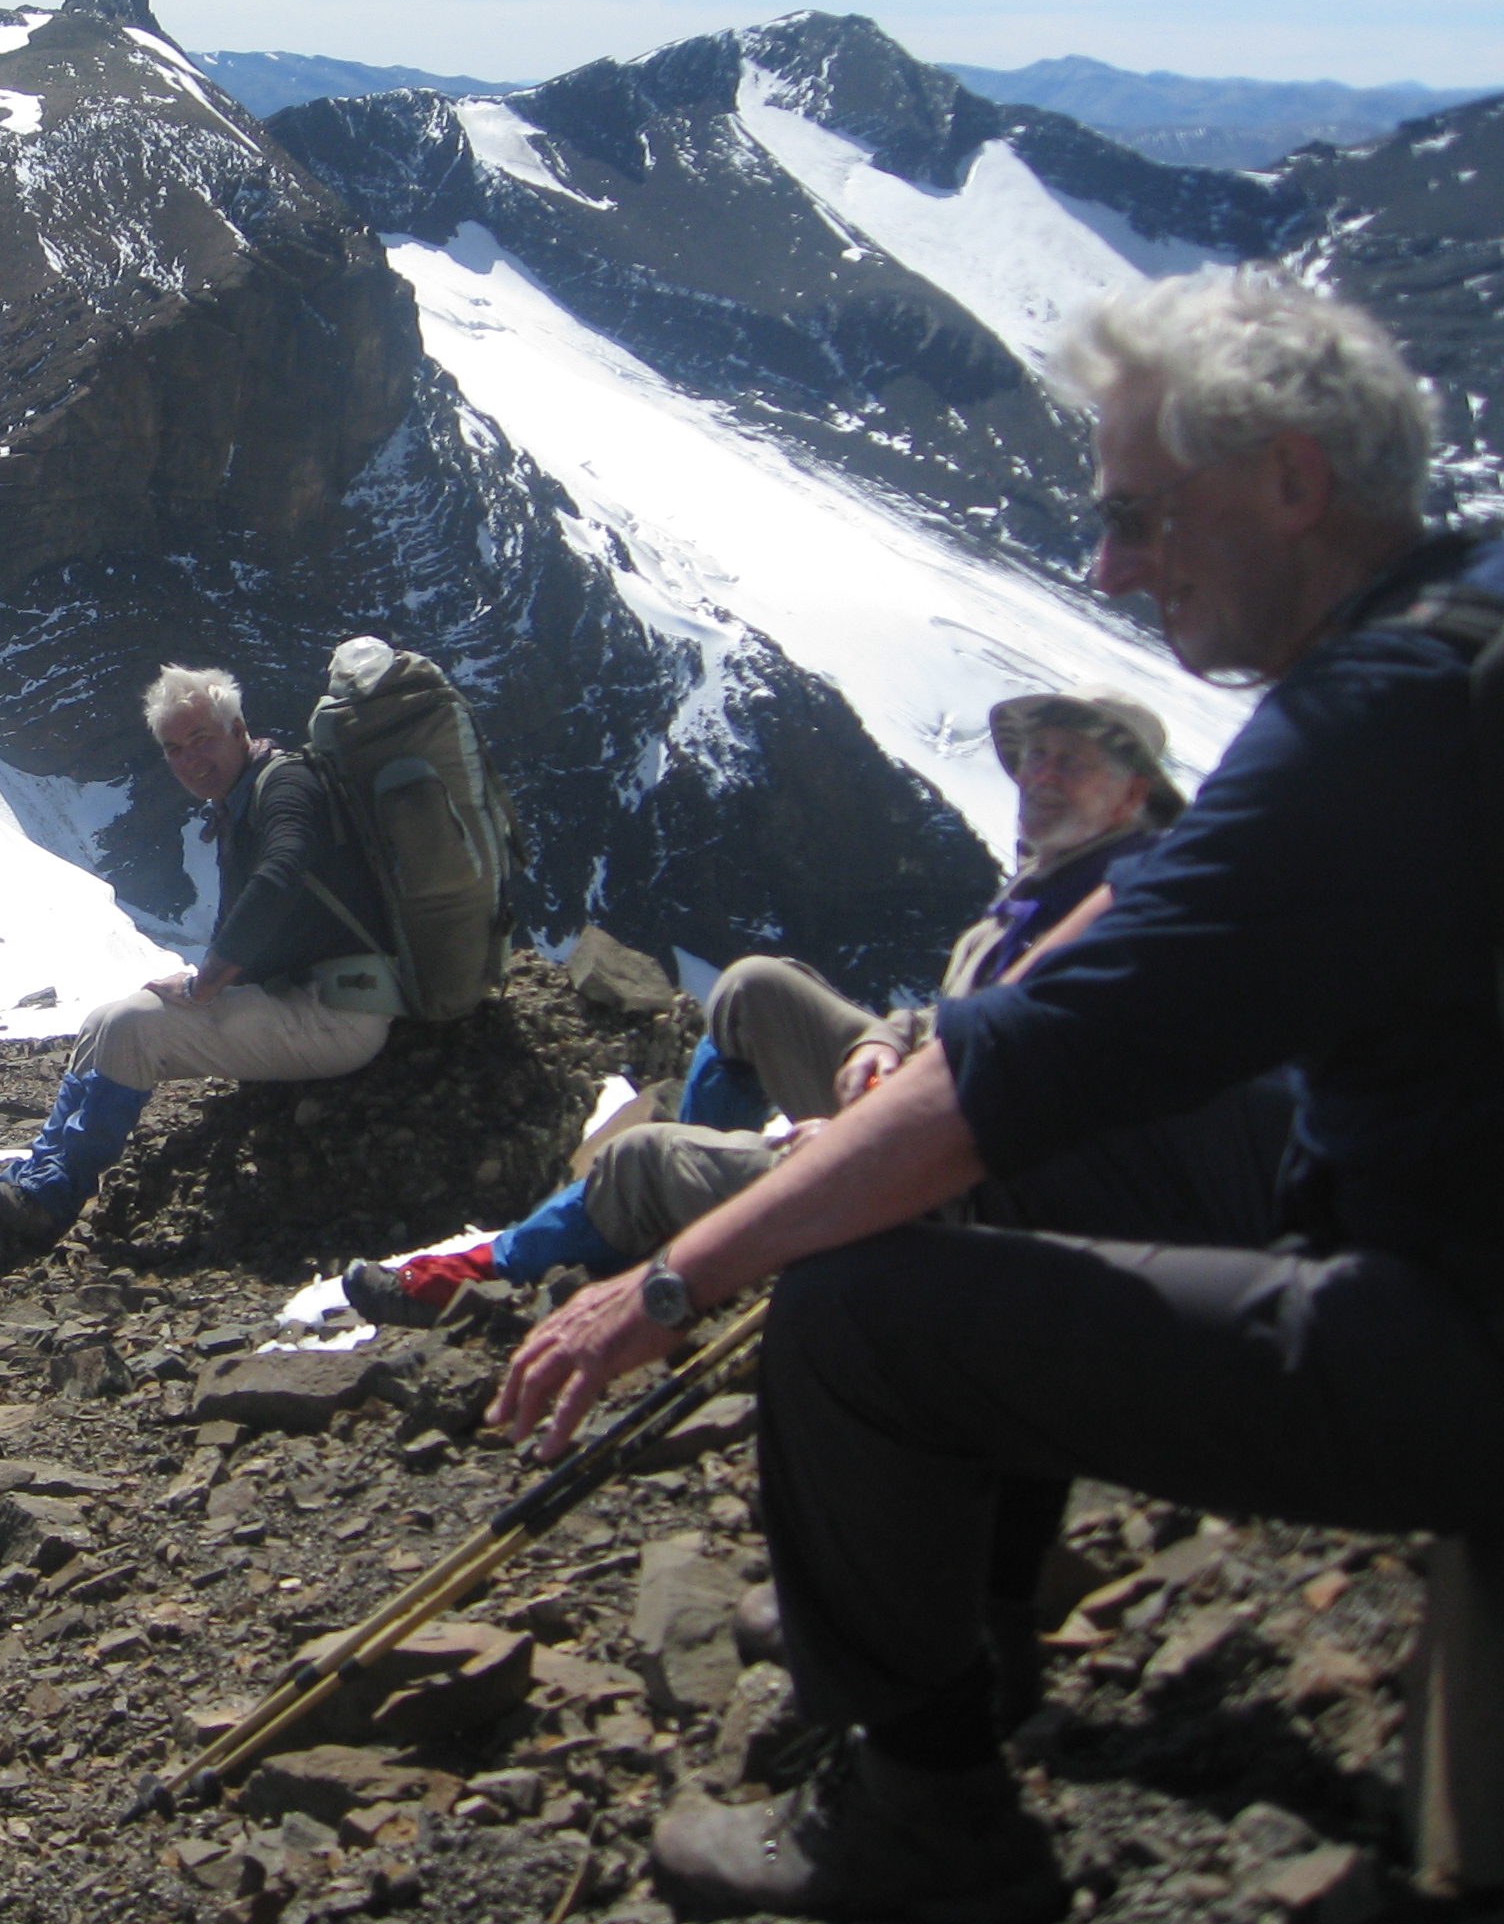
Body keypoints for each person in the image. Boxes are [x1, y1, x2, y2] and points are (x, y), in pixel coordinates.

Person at [491, 267, 1504, 1923]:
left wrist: (667, 1283)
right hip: (1415, 1214)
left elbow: (987, 1098)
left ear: (1289, 484)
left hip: (1447, 1324)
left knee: (853, 1307)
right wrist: (953, 1031)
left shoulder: (1368, 722)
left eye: (1133, 517)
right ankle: (973, 1594)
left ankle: (923, 1817)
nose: (1106, 566)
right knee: (993, 1161)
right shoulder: (1444, 629)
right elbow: (1145, 915)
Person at [342, 687, 1185, 1326]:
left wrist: (863, 1137)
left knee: (639, 1160)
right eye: (1033, 756)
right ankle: (714, 1173)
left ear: (1132, 792)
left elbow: (1023, 1101)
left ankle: (488, 1271)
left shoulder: (1118, 914)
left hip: (955, 1189)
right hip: (924, 1111)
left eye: (1068, 762)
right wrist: (888, 1044)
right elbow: (956, 1024)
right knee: (752, 989)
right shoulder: (1050, 888)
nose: (1037, 776)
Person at [0, 664, 400, 1244]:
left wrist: (205, 987)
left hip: (342, 1013)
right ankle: (40, 1170)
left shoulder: (286, 786)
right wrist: (206, 980)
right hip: (307, 998)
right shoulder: (242, 800)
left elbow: (282, 875)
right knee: (102, 1021)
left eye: (201, 739)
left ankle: (53, 1199)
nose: (190, 760)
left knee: (133, 1027)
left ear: (238, 728)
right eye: (175, 748)